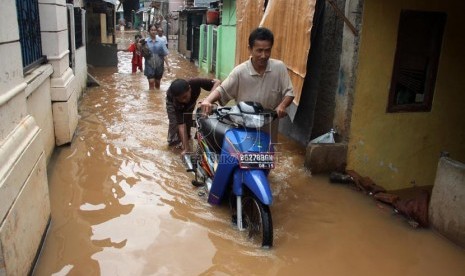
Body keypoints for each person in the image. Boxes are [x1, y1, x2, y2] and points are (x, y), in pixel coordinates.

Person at [200, 27, 294, 142]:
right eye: (259, 50)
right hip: (244, 134)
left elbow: (289, 93)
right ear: (250, 49)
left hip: (269, 135)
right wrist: (207, 101)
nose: (264, 55)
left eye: (267, 50)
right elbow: (222, 90)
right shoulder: (240, 72)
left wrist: (282, 105)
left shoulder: (279, 68)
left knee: (268, 158)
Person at [166, 78, 221, 155]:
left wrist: (208, 100)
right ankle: (173, 145)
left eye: (185, 97)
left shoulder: (195, 82)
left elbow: (217, 82)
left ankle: (188, 138)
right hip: (172, 103)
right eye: (181, 99)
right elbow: (181, 124)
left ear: (190, 89)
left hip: (191, 101)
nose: (184, 100)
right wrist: (186, 149)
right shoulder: (176, 101)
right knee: (175, 126)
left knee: (187, 121)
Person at [144, 24, 170, 90]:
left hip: (159, 65)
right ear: (149, 31)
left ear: (156, 31)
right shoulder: (145, 42)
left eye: (155, 30)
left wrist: (168, 65)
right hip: (149, 65)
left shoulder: (161, 42)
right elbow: (141, 54)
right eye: (152, 30)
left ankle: (156, 96)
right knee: (151, 82)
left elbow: (164, 54)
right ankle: (151, 98)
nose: (153, 32)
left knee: (157, 83)